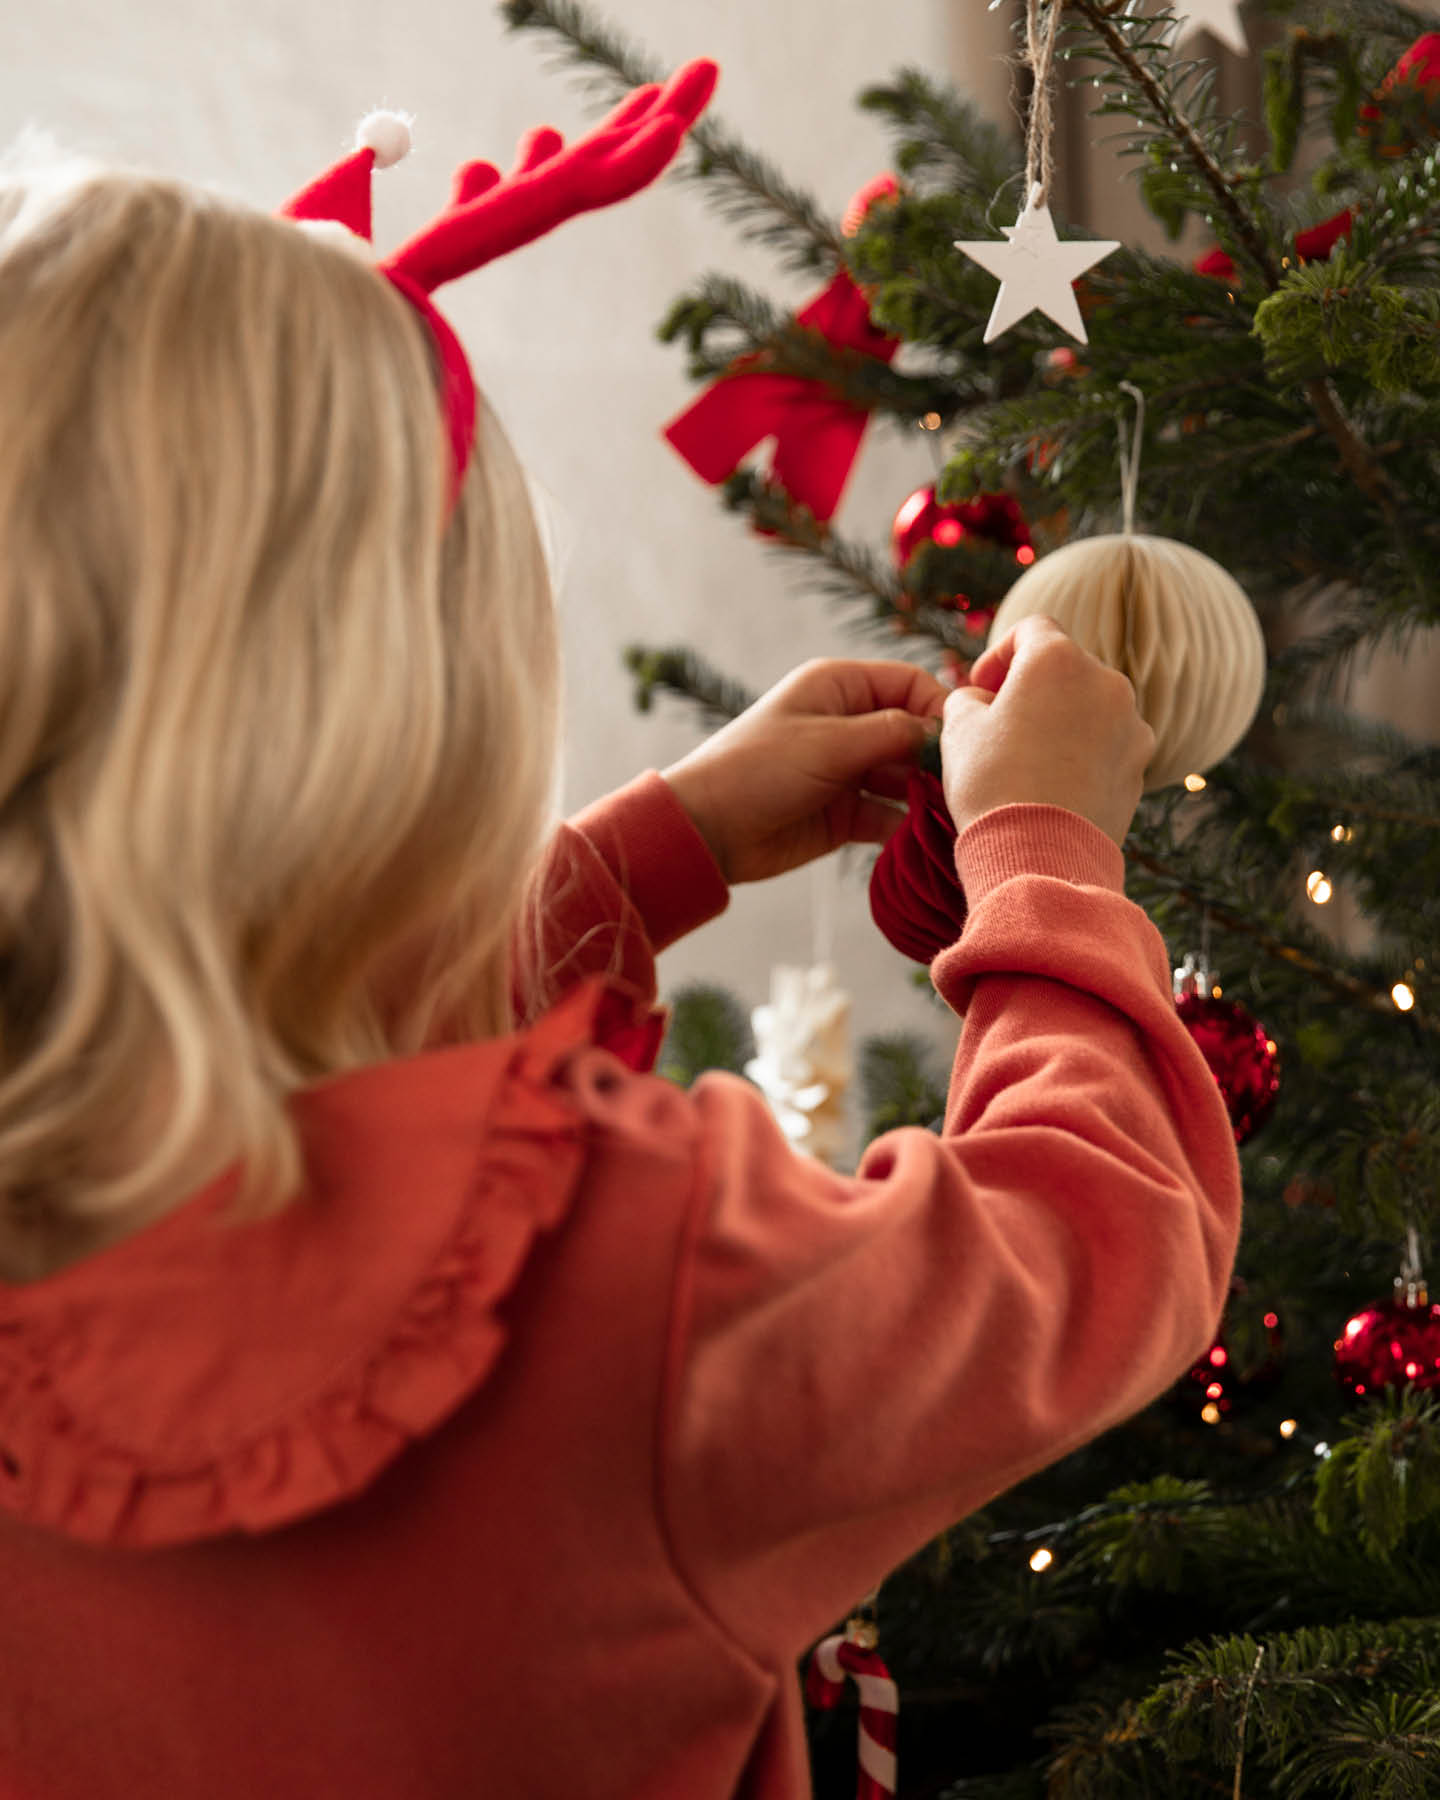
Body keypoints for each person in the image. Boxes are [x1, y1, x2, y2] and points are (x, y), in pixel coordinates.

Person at [0, 81, 1241, 1800]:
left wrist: (656, 855)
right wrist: (1050, 844)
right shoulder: (634, 1273)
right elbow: (1087, 1243)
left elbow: (291, 1026)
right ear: (424, 719)